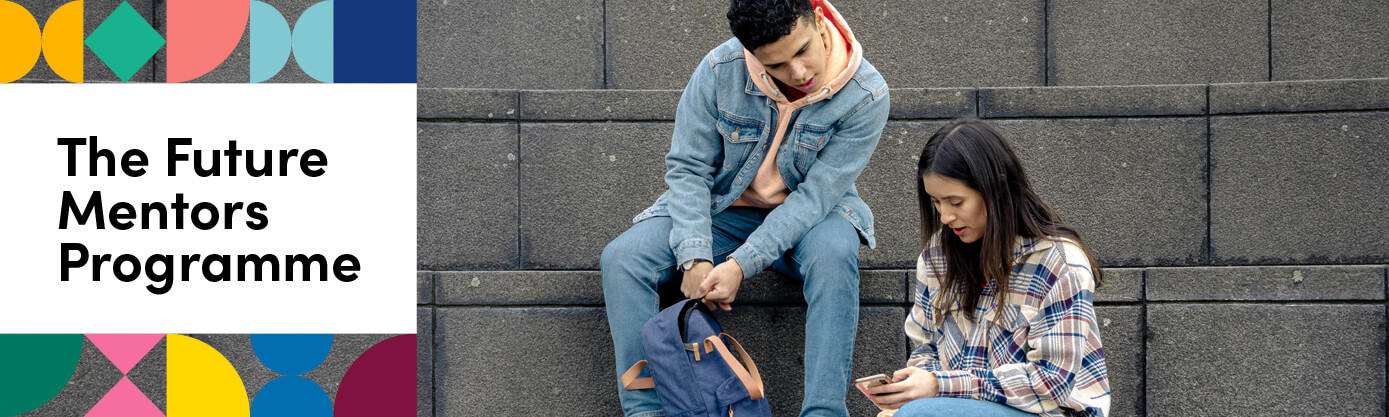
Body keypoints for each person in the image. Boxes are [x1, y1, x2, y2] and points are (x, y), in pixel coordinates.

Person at [599, 0, 890, 415]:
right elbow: (688, 169)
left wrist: (740, 265)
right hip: (724, 210)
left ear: (819, 19)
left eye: (803, 50)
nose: (799, 73)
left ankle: (823, 411)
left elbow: (815, 199)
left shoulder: (866, 94)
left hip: (812, 219)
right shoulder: (721, 69)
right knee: (623, 259)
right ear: (752, 54)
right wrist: (695, 254)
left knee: (835, 253)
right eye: (777, 66)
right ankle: (646, 410)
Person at [864, 118, 1110, 417]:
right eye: (936, 203)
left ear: (995, 189)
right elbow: (925, 348)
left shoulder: (1058, 262)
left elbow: (1051, 382)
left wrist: (940, 386)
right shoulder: (937, 256)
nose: (944, 217)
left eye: (955, 202)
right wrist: (913, 387)